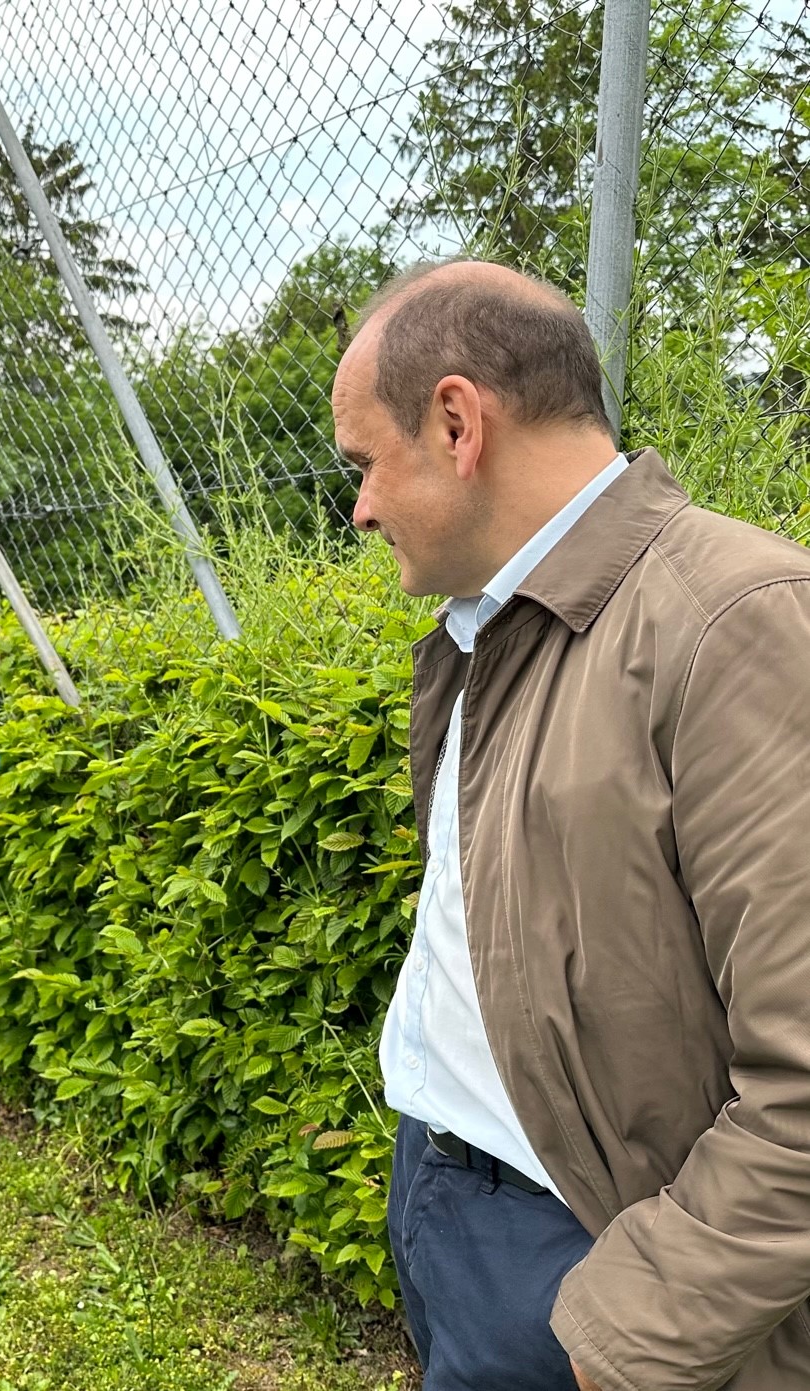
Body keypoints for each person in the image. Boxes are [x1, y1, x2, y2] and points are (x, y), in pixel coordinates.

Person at [333, 260, 810, 1390]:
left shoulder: (735, 622)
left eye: (362, 464)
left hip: (590, 1267)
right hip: (455, 1206)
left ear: (455, 421)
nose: (356, 507)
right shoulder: (487, 627)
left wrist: (634, 1326)